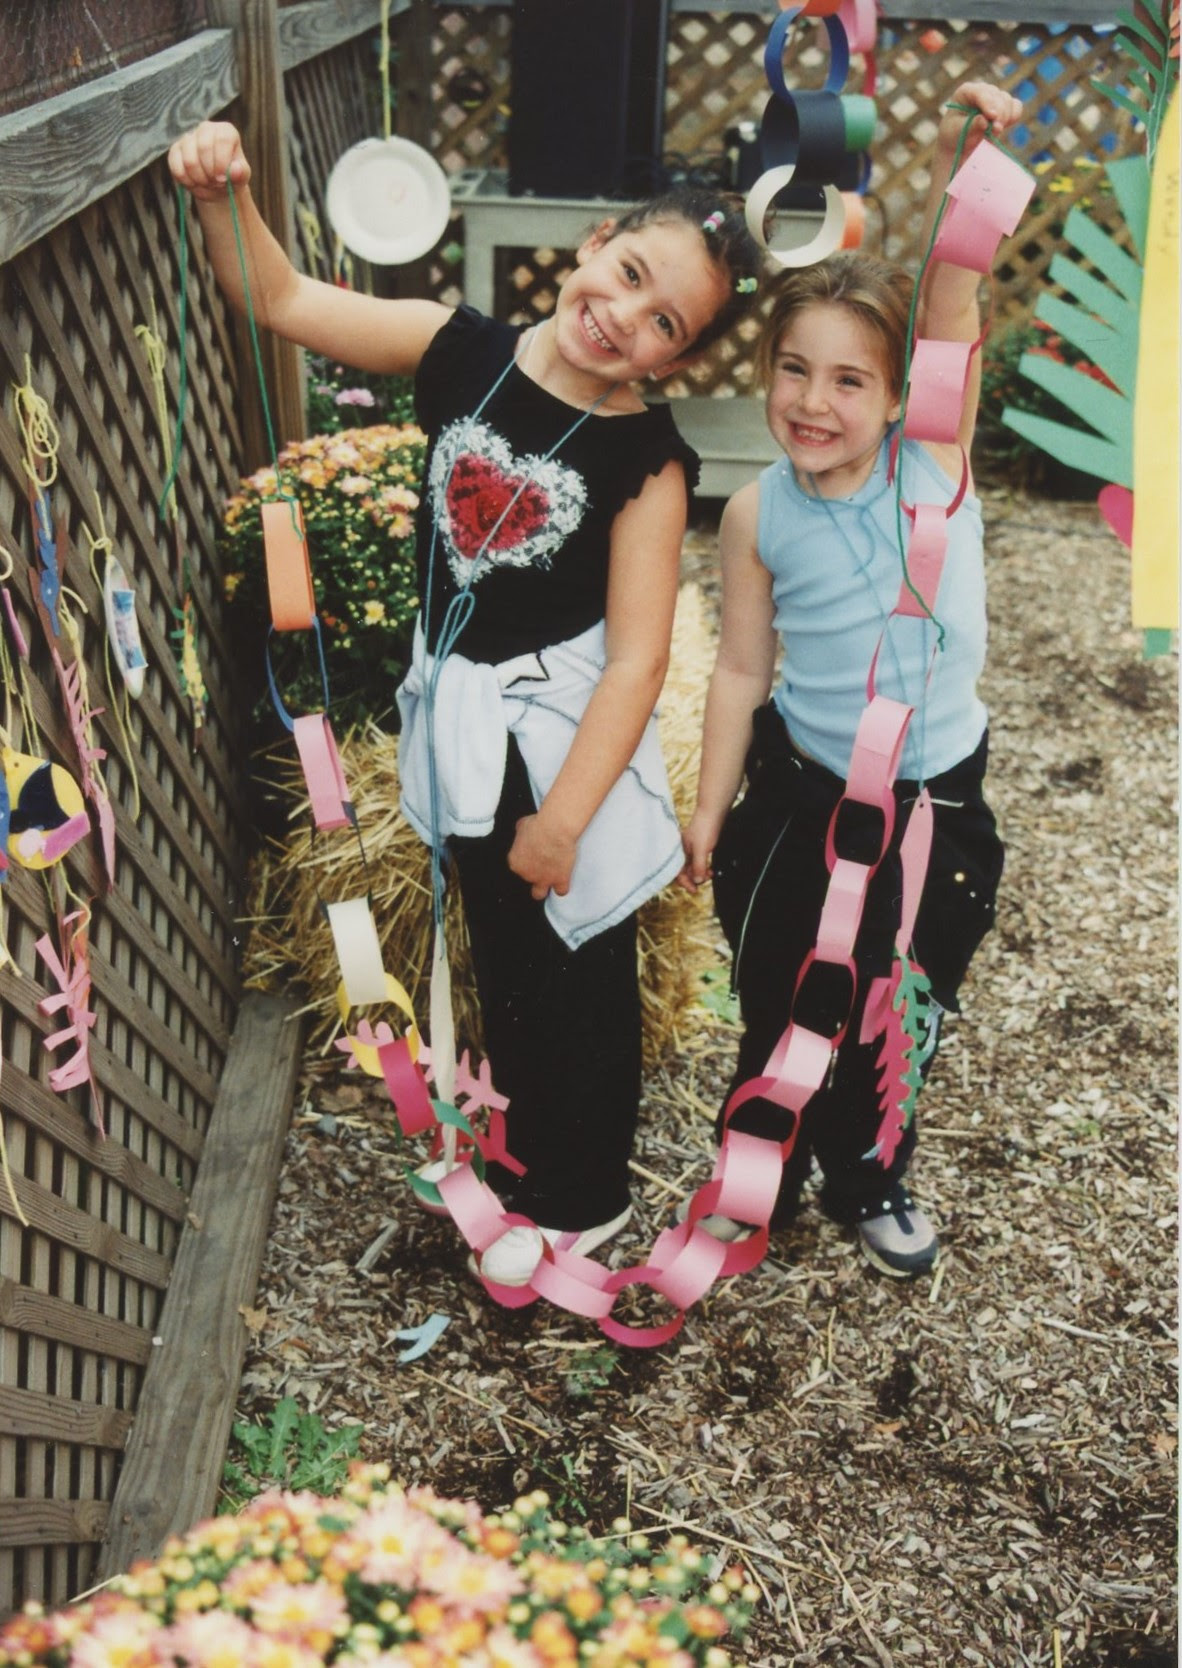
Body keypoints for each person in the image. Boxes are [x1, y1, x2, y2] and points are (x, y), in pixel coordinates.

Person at [169, 123, 763, 1288]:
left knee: (577, 970)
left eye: (663, 326)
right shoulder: (460, 348)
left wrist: (567, 819)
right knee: (501, 948)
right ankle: (531, 1153)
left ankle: (580, 1196)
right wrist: (222, 191)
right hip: (460, 717)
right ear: (594, 243)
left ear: (675, 363)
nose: (624, 319)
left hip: (558, 743)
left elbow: (640, 662)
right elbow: (278, 295)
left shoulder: (648, 458)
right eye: (630, 275)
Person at [678, 81, 1021, 1277]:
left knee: (900, 994)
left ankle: (869, 1172)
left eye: (849, 380)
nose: (814, 403)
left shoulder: (931, 461)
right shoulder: (755, 510)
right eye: (793, 371)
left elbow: (951, 297)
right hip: (802, 792)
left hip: (936, 800)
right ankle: (751, 1168)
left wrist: (967, 153)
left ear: (897, 397)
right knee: (780, 986)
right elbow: (735, 669)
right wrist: (711, 807)